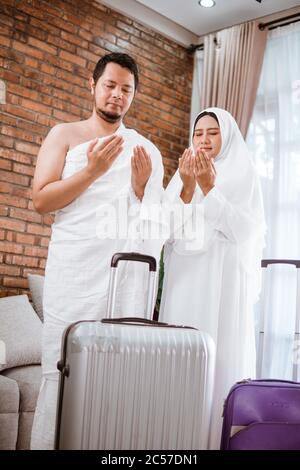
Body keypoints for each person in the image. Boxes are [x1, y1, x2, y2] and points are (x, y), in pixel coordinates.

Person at [30, 53, 164, 449]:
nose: (117, 95)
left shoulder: (144, 150)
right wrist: (91, 171)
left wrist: (142, 190)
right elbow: (41, 200)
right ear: (92, 85)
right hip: (73, 272)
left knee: (113, 373)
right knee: (64, 364)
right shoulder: (64, 135)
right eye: (110, 85)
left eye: (127, 90)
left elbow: (158, 221)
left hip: (119, 279)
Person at [159, 107, 266, 449]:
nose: (204, 139)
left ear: (228, 135)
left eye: (212, 132)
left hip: (222, 281)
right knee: (180, 362)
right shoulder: (182, 173)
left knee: (216, 361)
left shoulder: (243, 173)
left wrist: (210, 188)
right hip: (184, 280)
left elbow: (245, 230)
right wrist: (188, 187)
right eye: (198, 132)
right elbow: (166, 229)